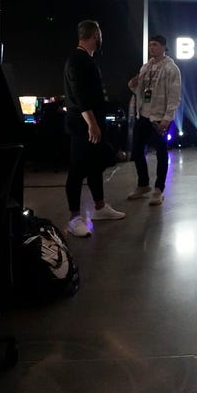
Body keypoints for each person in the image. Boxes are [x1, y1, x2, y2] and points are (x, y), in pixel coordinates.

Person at [62, 20, 125, 238]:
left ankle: (100, 207)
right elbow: (80, 96)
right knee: (77, 169)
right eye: (99, 33)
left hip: (91, 123)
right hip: (83, 126)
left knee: (95, 166)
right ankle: (74, 219)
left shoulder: (86, 59)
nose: (101, 37)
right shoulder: (77, 60)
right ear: (95, 35)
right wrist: (92, 124)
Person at [126, 34, 182, 206]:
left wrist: (167, 118)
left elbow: (174, 96)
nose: (152, 48)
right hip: (143, 114)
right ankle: (143, 184)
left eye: (155, 45)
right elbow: (139, 90)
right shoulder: (146, 67)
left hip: (159, 117)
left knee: (161, 152)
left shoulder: (171, 68)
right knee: (136, 150)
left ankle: (159, 189)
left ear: (164, 47)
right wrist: (133, 84)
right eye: (150, 45)